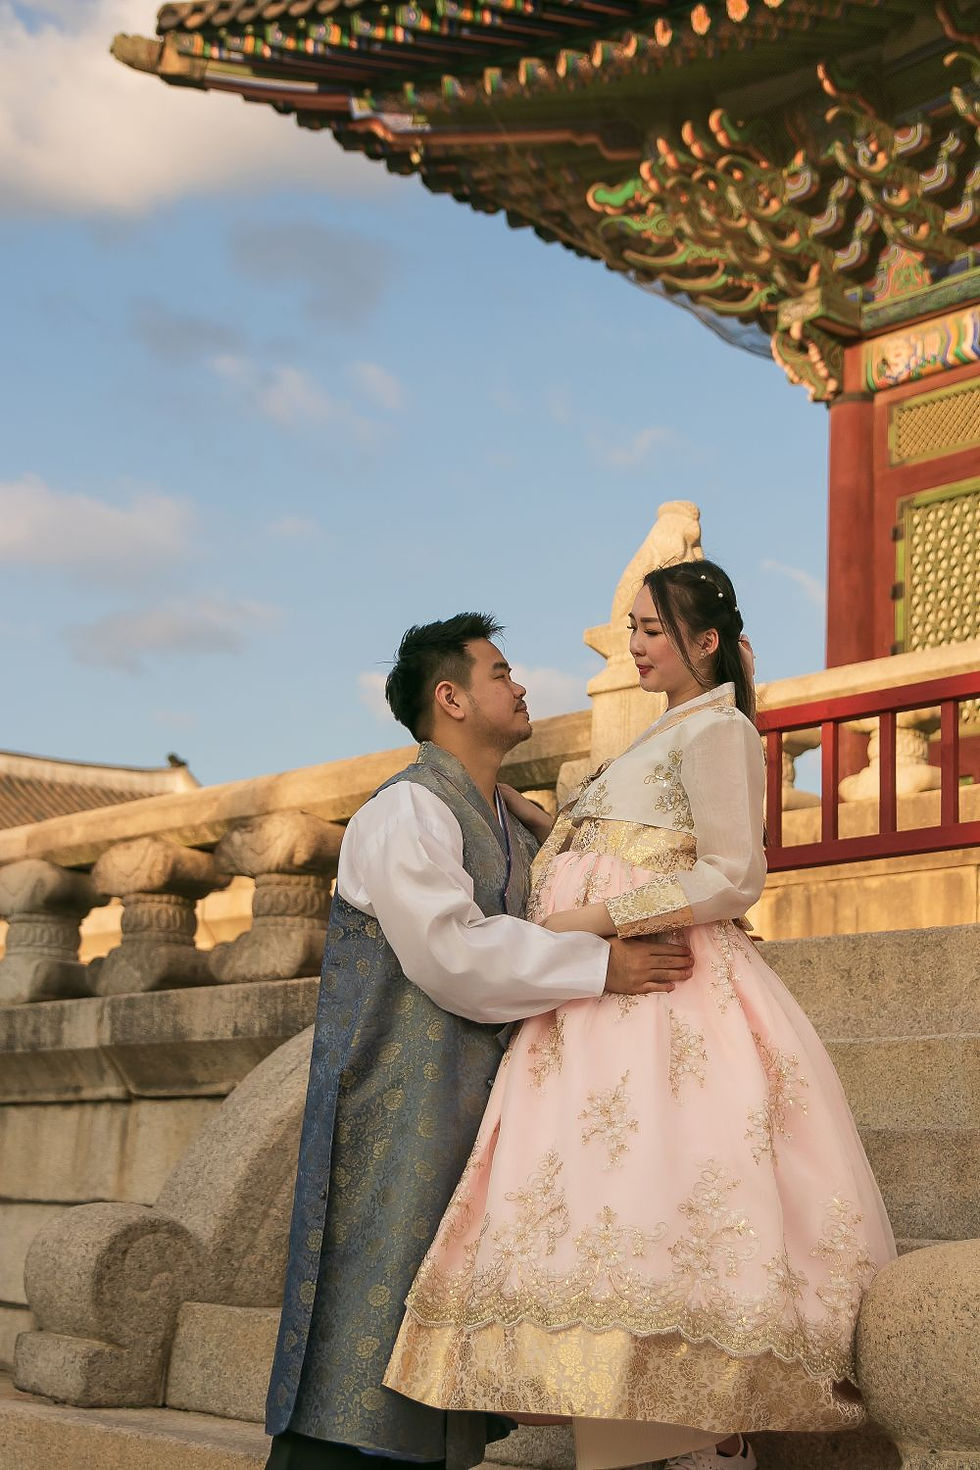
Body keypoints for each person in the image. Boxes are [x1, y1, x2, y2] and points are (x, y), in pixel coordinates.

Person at [383, 564, 897, 1470]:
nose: (637, 644)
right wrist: (543, 823)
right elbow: (637, 837)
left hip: (664, 995)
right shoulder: (668, 731)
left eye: (655, 629)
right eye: (633, 627)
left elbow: (735, 875)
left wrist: (591, 919)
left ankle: (689, 1444)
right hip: (603, 1007)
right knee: (608, 1219)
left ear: (706, 642)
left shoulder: (720, 728)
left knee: (659, 1202)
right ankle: (648, 1442)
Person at [265, 612, 696, 1470]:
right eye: (500, 672)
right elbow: (453, 953)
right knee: (369, 1346)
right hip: (398, 1115)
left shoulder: (501, 815)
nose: (521, 684)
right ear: (451, 697)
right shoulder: (406, 812)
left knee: (440, 1353)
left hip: (475, 1115)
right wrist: (601, 967)